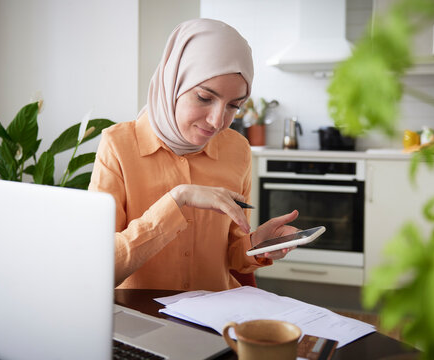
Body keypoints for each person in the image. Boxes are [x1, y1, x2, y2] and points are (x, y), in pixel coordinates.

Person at [89, 18, 299, 291]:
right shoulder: (118, 146)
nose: (217, 121)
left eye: (233, 106)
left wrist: (257, 243)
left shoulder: (236, 149)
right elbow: (99, 269)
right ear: (173, 82)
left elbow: (231, 255)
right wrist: (178, 199)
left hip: (215, 318)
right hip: (141, 318)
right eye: (204, 97)